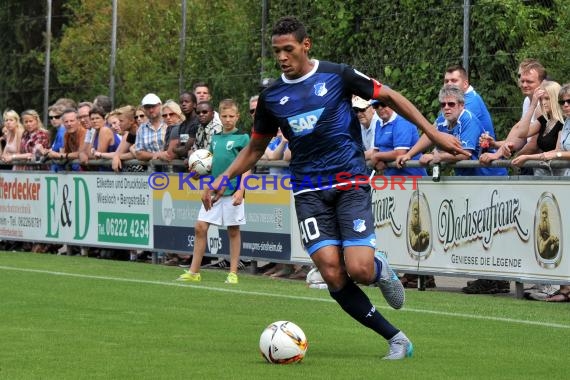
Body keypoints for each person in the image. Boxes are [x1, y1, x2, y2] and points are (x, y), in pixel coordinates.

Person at [201, 16, 466, 360]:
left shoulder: (337, 75)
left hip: (349, 180)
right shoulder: (271, 96)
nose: (282, 57)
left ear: (305, 46)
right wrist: (224, 179)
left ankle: (379, 268)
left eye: (289, 49)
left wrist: (434, 134)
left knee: (358, 268)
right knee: (330, 270)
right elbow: (254, 148)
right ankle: (397, 339)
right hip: (308, 190)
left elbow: (389, 95)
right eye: (276, 51)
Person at [177, 99, 251, 284]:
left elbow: (247, 166)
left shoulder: (243, 137)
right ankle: (194, 272)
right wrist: (197, 173)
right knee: (200, 227)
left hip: (233, 190)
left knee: (233, 231)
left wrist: (241, 190)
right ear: (220, 116)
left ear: (237, 117)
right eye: (224, 116)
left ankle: (233, 272)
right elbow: (209, 163)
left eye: (231, 116)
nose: (227, 120)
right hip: (214, 191)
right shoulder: (216, 138)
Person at [369, 100, 430, 288]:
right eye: (376, 106)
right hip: (394, 184)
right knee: (399, 229)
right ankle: (408, 273)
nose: (380, 109)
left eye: (383, 105)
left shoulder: (402, 122)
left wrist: (378, 158)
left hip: (412, 182)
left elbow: (400, 152)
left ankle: (422, 275)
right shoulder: (380, 124)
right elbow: (377, 153)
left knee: (416, 228)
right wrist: (375, 158)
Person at [480, 59, 546, 163]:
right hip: (534, 163)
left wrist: (512, 161)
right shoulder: (527, 101)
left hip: (545, 164)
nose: (524, 85)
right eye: (522, 80)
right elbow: (520, 133)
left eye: (529, 81)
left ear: (542, 83)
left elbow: (533, 144)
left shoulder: (544, 104)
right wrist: (496, 145)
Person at [352, 96, 379, 167]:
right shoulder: (360, 125)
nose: (359, 114)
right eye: (356, 110)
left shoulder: (378, 122)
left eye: (362, 109)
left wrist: (351, 157)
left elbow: (373, 152)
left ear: (373, 108)